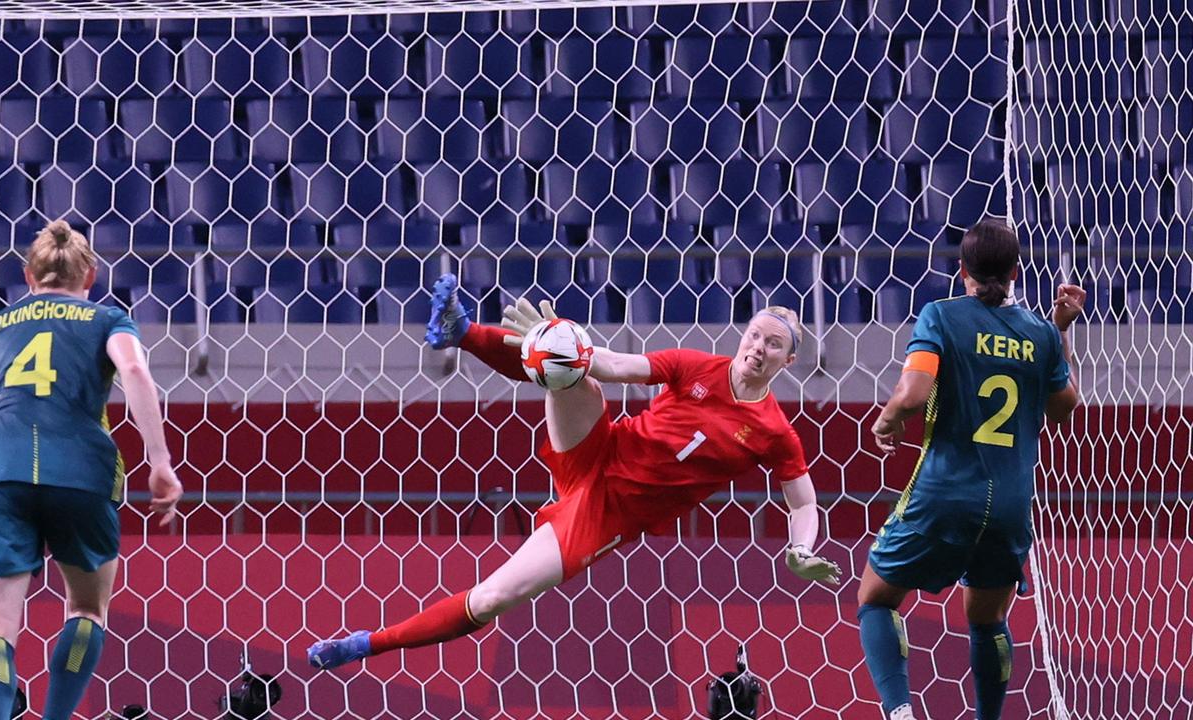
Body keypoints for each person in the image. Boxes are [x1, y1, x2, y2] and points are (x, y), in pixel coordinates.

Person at [308, 273, 843, 669]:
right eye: (755, 335)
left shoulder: (774, 431)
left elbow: (803, 501)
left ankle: (365, 644)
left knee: (495, 598)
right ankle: (460, 330)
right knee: (568, 368)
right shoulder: (692, 365)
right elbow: (612, 366)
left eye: (774, 344)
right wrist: (564, 339)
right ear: (743, 336)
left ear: (787, 362)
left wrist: (801, 547)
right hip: (599, 450)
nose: (759, 348)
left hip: (606, 514)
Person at [855, 218, 1085, 720]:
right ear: (1017, 271)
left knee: (876, 598)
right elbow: (1065, 406)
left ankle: (899, 712)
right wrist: (1059, 331)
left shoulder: (940, 315)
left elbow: (913, 394)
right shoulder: (1041, 333)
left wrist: (887, 419)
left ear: (962, 270)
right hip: (1008, 504)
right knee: (986, 619)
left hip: (944, 493)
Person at [0, 220, 183, 720]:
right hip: (82, 474)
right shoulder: (108, 319)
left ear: (28, 276)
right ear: (90, 277)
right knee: (85, 610)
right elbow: (136, 371)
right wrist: (160, 460)